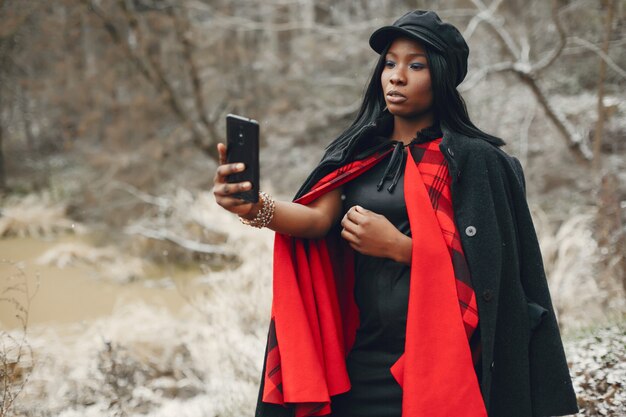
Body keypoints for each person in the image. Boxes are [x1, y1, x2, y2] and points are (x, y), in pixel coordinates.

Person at [213, 10, 578, 417]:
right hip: (363, 357)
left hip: (445, 359)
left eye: (415, 65)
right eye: (389, 63)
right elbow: (315, 221)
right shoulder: (356, 151)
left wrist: (400, 248)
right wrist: (255, 208)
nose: (396, 76)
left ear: (441, 75)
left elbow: (494, 278)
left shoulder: (477, 163)